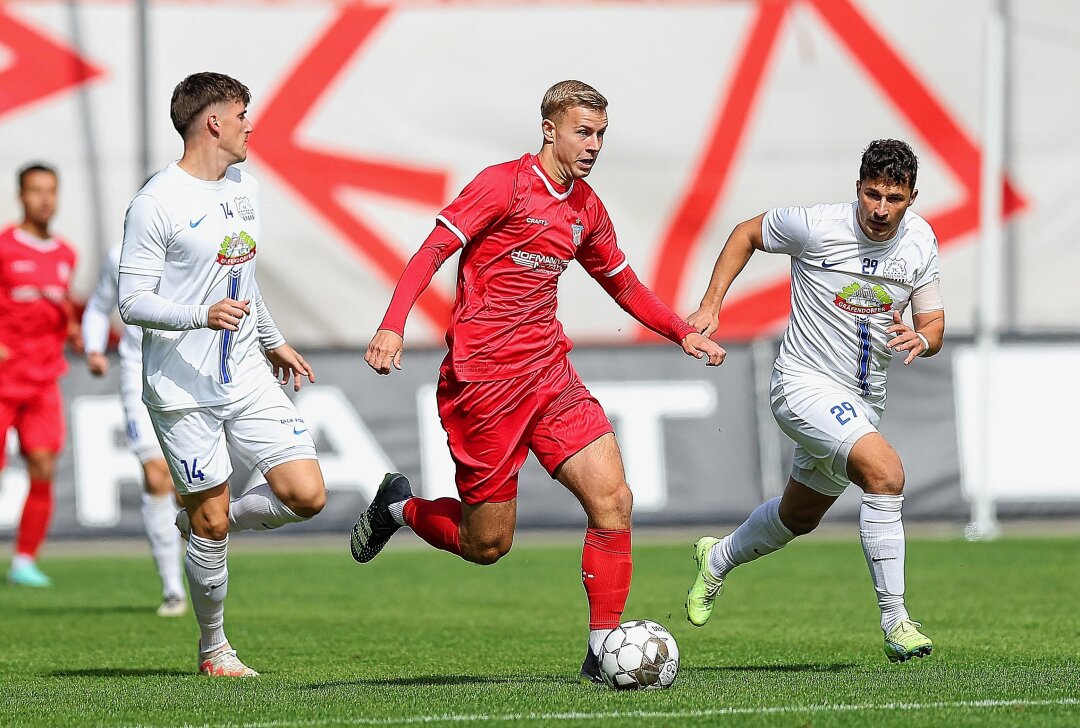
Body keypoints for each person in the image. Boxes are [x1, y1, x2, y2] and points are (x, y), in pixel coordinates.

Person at [352, 80, 727, 684]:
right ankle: (397, 508)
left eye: (602, 134)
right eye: (584, 131)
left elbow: (625, 285)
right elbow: (429, 253)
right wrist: (392, 327)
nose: (594, 145)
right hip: (484, 385)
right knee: (487, 545)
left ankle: (602, 649)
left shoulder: (586, 209)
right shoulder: (502, 185)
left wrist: (681, 331)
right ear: (549, 128)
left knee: (614, 501)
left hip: (550, 374)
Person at [684, 139, 944, 663]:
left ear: (912, 197)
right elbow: (747, 233)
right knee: (886, 473)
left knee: (798, 517)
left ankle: (717, 558)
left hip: (862, 400)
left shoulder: (920, 242)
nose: (879, 209)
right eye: (871, 195)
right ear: (858, 189)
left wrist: (925, 339)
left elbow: (932, 322)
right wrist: (712, 304)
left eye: (893, 198)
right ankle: (896, 623)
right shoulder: (818, 225)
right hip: (801, 385)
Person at [117, 72, 326, 677]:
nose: (249, 125)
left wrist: (273, 340)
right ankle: (215, 649)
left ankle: (209, 518)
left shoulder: (245, 187)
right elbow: (133, 301)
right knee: (209, 524)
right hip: (182, 388)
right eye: (242, 115)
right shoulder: (156, 202)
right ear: (213, 122)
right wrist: (198, 316)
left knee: (306, 494)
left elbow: (243, 276)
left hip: (247, 373)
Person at [82, 243, 187, 616]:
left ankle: (204, 566)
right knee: (155, 474)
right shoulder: (118, 255)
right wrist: (94, 348)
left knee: (194, 485)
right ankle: (173, 587)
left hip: (189, 372)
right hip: (136, 370)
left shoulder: (195, 247)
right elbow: (98, 305)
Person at [0, 163, 81, 588]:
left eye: (51, 190)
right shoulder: (4, 247)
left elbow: (61, 311)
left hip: (43, 378)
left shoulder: (67, 254)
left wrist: (78, 335)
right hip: (3, 380)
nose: (45, 199)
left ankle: (24, 561)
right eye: (36, 191)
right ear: (21, 196)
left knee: (44, 464)